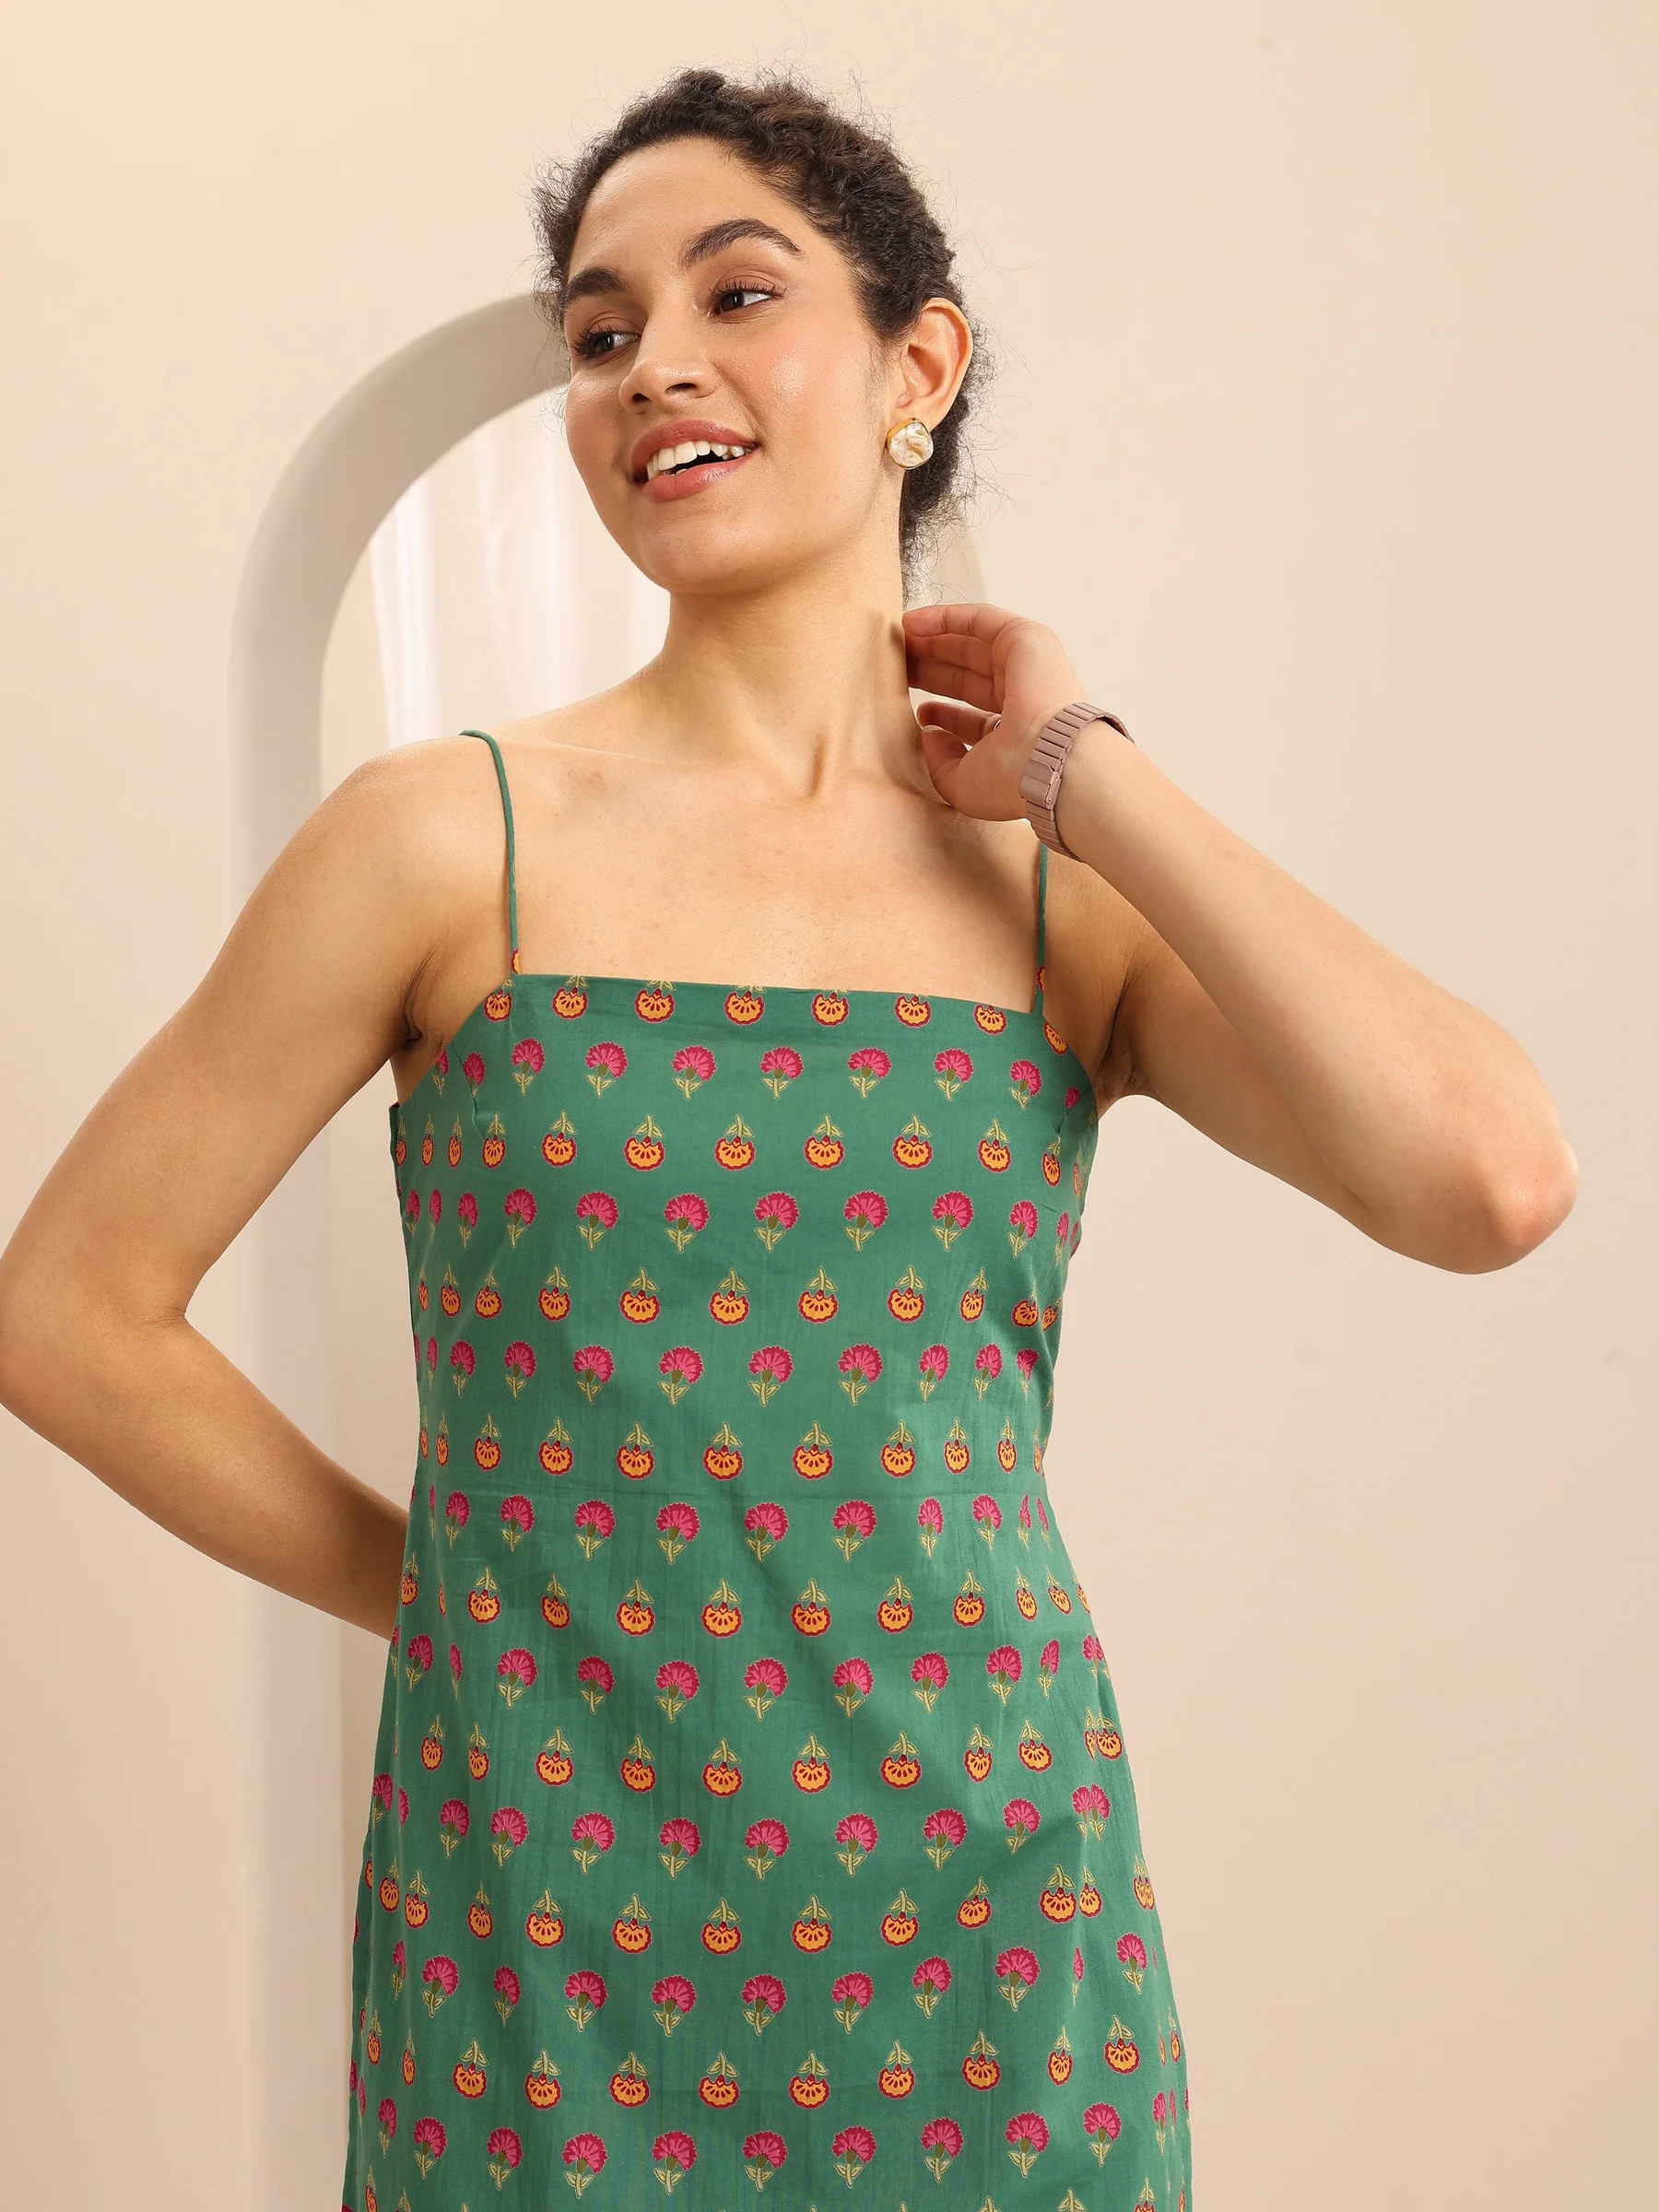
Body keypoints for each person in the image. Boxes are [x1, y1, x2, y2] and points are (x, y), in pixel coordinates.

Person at [0, 65, 1576, 2212]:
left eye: (737, 294)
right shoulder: (441, 838)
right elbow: (71, 1311)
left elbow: (1491, 1179)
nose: (654, 364)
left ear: (920, 367)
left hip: (994, 1935)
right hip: (544, 1933)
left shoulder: (1055, 891)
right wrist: (468, 1598)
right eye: (600, 331)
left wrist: (1087, 772)